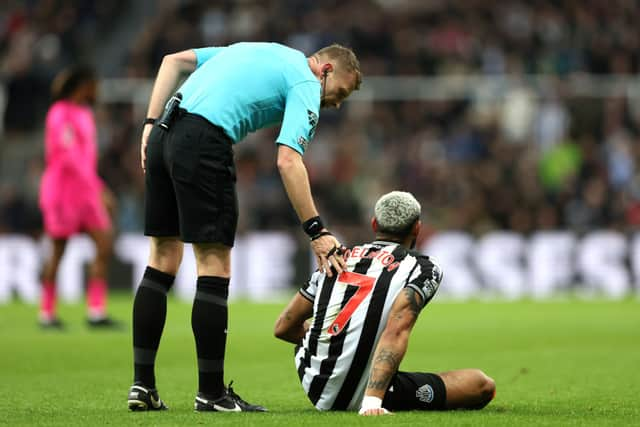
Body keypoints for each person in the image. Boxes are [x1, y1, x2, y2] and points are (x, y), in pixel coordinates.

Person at [127, 42, 362, 412]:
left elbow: (171, 60)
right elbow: (288, 160)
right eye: (340, 93)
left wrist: (150, 123)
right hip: (203, 140)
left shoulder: (259, 49)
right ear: (327, 70)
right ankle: (211, 394)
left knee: (162, 258)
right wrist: (317, 230)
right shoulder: (306, 80)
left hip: (163, 134)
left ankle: (142, 386)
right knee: (214, 265)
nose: (335, 104)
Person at [274, 191, 496, 415]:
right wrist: (371, 402)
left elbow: (284, 327)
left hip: (315, 384)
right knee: (481, 385)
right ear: (417, 228)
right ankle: (374, 394)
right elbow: (396, 330)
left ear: (374, 224)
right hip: (363, 396)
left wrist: (336, 342)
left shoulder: (338, 257)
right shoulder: (422, 268)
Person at [38, 64, 118, 329]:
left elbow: (84, 158)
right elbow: (68, 157)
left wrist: (94, 187)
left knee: (105, 244)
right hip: (63, 190)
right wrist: (100, 188)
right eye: (94, 85)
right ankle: (47, 313)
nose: (97, 91)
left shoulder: (84, 113)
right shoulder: (59, 113)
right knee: (59, 250)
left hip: (85, 190)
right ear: (83, 85)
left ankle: (96, 311)